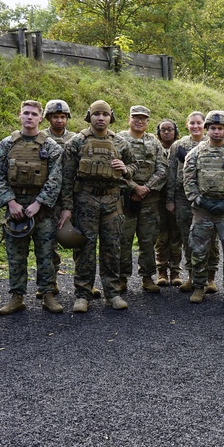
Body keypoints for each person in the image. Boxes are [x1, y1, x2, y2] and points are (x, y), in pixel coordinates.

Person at [59, 100, 135, 313]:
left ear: (111, 117)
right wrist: (67, 207)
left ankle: (112, 293)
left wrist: (126, 169)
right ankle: (83, 294)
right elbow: (66, 177)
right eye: (96, 114)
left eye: (105, 114)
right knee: (85, 249)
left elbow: (134, 166)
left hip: (112, 203)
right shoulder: (76, 142)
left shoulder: (120, 143)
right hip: (85, 201)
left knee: (112, 248)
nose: (100, 118)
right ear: (89, 116)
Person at [0, 100, 64, 314]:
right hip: (15, 207)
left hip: (42, 209)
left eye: (34, 114)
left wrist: (39, 203)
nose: (30, 117)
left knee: (46, 253)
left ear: (41, 118)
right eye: (26, 113)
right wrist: (10, 202)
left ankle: (48, 294)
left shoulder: (51, 146)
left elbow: (55, 178)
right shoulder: (6, 145)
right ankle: (16, 296)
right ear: (19, 115)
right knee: (16, 254)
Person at [183, 110, 224, 304]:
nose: (216, 132)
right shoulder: (195, 153)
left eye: (220, 128)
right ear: (207, 129)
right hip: (202, 210)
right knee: (199, 250)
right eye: (213, 128)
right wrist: (199, 201)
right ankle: (198, 286)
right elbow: (188, 181)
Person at [166, 111, 218, 293]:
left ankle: (210, 277)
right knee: (188, 238)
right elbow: (171, 173)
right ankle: (192, 276)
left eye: (199, 123)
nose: (196, 126)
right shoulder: (178, 146)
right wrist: (170, 200)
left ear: (204, 125)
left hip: (207, 199)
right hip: (183, 198)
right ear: (187, 125)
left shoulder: (211, 142)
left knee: (210, 239)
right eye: (192, 123)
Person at [118, 105, 168, 293]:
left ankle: (147, 277)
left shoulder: (154, 142)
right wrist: (134, 187)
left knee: (148, 240)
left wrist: (146, 188)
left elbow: (162, 169)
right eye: (136, 117)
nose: (139, 121)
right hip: (126, 199)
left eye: (144, 118)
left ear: (148, 122)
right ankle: (122, 278)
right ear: (129, 119)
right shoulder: (119, 140)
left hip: (149, 200)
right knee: (124, 240)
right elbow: (114, 167)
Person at [42, 99, 76, 298]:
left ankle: (83, 281)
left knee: (78, 239)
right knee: (49, 242)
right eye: (56, 117)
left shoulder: (75, 139)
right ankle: (50, 281)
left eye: (63, 117)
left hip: (72, 194)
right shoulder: (41, 138)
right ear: (48, 118)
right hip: (49, 197)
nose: (60, 120)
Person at [154, 119, 183, 286]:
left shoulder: (181, 147)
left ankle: (175, 271)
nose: (166, 132)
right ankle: (162, 271)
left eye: (170, 129)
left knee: (176, 235)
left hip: (177, 198)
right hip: (158, 199)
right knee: (161, 236)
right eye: (163, 130)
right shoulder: (155, 147)